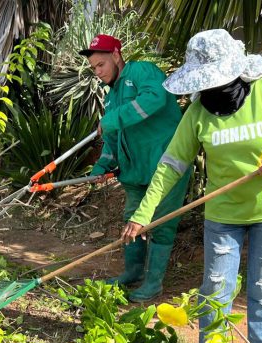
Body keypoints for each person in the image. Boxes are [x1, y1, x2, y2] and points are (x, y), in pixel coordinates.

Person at [120, 29, 262, 343]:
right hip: (224, 211)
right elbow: (171, 165)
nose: (211, 90)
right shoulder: (198, 112)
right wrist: (142, 214)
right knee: (215, 287)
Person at [81, 34, 191, 302]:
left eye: (101, 65)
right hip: (134, 173)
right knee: (132, 220)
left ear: (116, 56)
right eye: (94, 68)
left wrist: (113, 119)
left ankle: (153, 284)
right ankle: (132, 272)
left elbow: (155, 99)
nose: (97, 72)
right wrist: (102, 165)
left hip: (165, 167)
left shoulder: (141, 71)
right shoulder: (111, 97)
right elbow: (113, 139)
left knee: (162, 223)